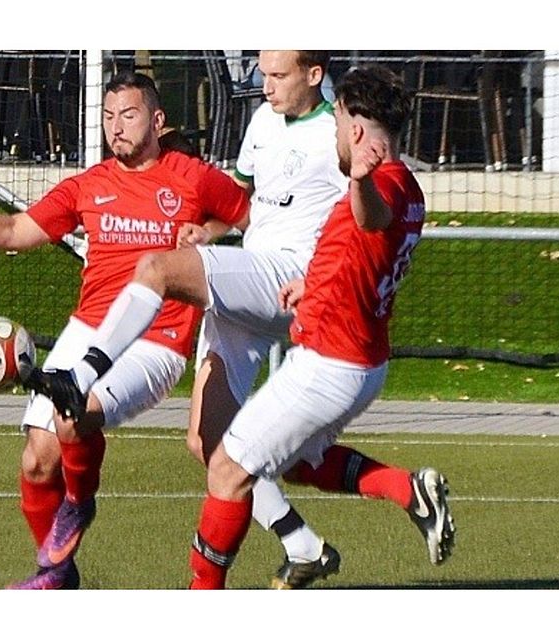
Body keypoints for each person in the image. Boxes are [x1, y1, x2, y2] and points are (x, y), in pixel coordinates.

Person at [0, 71, 250, 589]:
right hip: (87, 330)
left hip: (155, 342)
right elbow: (16, 232)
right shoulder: (89, 185)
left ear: (157, 121)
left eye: (129, 115)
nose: (117, 127)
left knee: (75, 418)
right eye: (109, 117)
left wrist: (210, 231)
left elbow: (253, 217)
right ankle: (59, 577)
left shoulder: (193, 176)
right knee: (36, 462)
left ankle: (80, 501)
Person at [28, 50, 352, 589]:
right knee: (212, 445)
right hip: (251, 272)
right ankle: (304, 542)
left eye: (276, 75)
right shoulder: (263, 121)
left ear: (314, 75)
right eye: (262, 73)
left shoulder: (337, 134)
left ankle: (81, 377)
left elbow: (359, 216)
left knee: (155, 268)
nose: (263, 85)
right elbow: (245, 205)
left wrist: (325, 278)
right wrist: (212, 233)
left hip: (290, 283)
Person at [185, 64, 456, 588]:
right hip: (358, 361)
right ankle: (407, 490)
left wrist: (358, 182)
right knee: (297, 464)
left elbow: (372, 219)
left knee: (226, 468)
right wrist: (315, 283)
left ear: (355, 132)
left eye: (337, 127)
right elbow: (365, 253)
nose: (333, 135)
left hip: (328, 363)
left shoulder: (383, 185)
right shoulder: (409, 186)